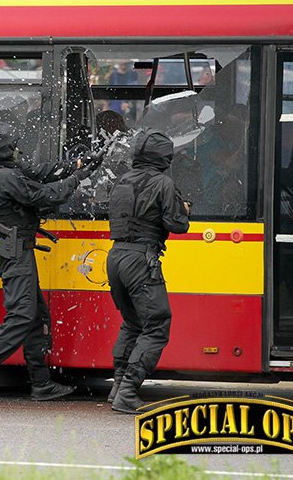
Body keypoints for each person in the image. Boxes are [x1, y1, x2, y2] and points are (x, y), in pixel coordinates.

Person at [0, 121, 95, 405]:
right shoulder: (4, 177)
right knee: (21, 316)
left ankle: (41, 384)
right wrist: (78, 177)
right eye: (12, 145)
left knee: (35, 317)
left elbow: (37, 175)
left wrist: (75, 165)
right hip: (14, 251)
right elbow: (46, 195)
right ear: (3, 148)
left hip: (14, 249)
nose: (16, 149)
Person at [106, 129, 191, 414]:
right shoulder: (163, 183)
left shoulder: (121, 180)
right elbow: (177, 224)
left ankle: (117, 386)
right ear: (164, 157)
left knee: (132, 323)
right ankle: (128, 391)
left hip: (115, 257)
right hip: (141, 260)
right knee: (157, 323)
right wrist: (184, 208)